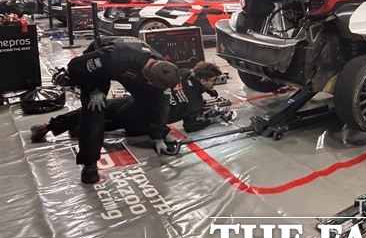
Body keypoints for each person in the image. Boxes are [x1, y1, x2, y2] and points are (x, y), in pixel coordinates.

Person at [66, 36, 180, 184]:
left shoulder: (161, 67)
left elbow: (159, 103)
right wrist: (93, 90)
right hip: (100, 65)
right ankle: (89, 165)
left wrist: (159, 136)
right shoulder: (113, 56)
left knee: (152, 98)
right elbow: (74, 66)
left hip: (132, 68)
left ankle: (76, 128)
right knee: (95, 109)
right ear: (149, 80)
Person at [30, 62, 225, 143]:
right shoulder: (196, 103)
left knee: (94, 109)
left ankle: (47, 126)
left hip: (132, 102)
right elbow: (190, 127)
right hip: (140, 122)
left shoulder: (180, 73)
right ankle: (81, 129)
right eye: (213, 80)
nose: (215, 83)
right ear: (203, 80)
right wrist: (212, 120)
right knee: (108, 125)